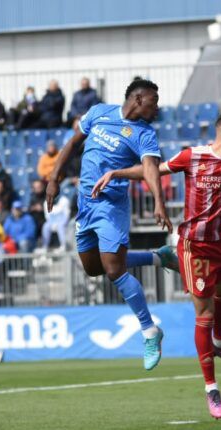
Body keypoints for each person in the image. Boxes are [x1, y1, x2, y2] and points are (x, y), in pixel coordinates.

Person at [92, 111, 221, 418]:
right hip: (195, 247)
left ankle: (220, 342)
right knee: (204, 313)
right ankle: (211, 388)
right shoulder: (193, 156)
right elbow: (154, 170)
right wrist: (117, 173)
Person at [45, 79, 181, 371]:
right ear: (139, 98)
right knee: (94, 268)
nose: (157, 107)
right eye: (154, 101)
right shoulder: (98, 112)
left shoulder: (145, 133)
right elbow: (71, 143)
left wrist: (159, 201)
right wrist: (54, 178)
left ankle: (149, 330)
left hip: (111, 206)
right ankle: (159, 257)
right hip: (85, 204)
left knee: (114, 269)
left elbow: (150, 169)